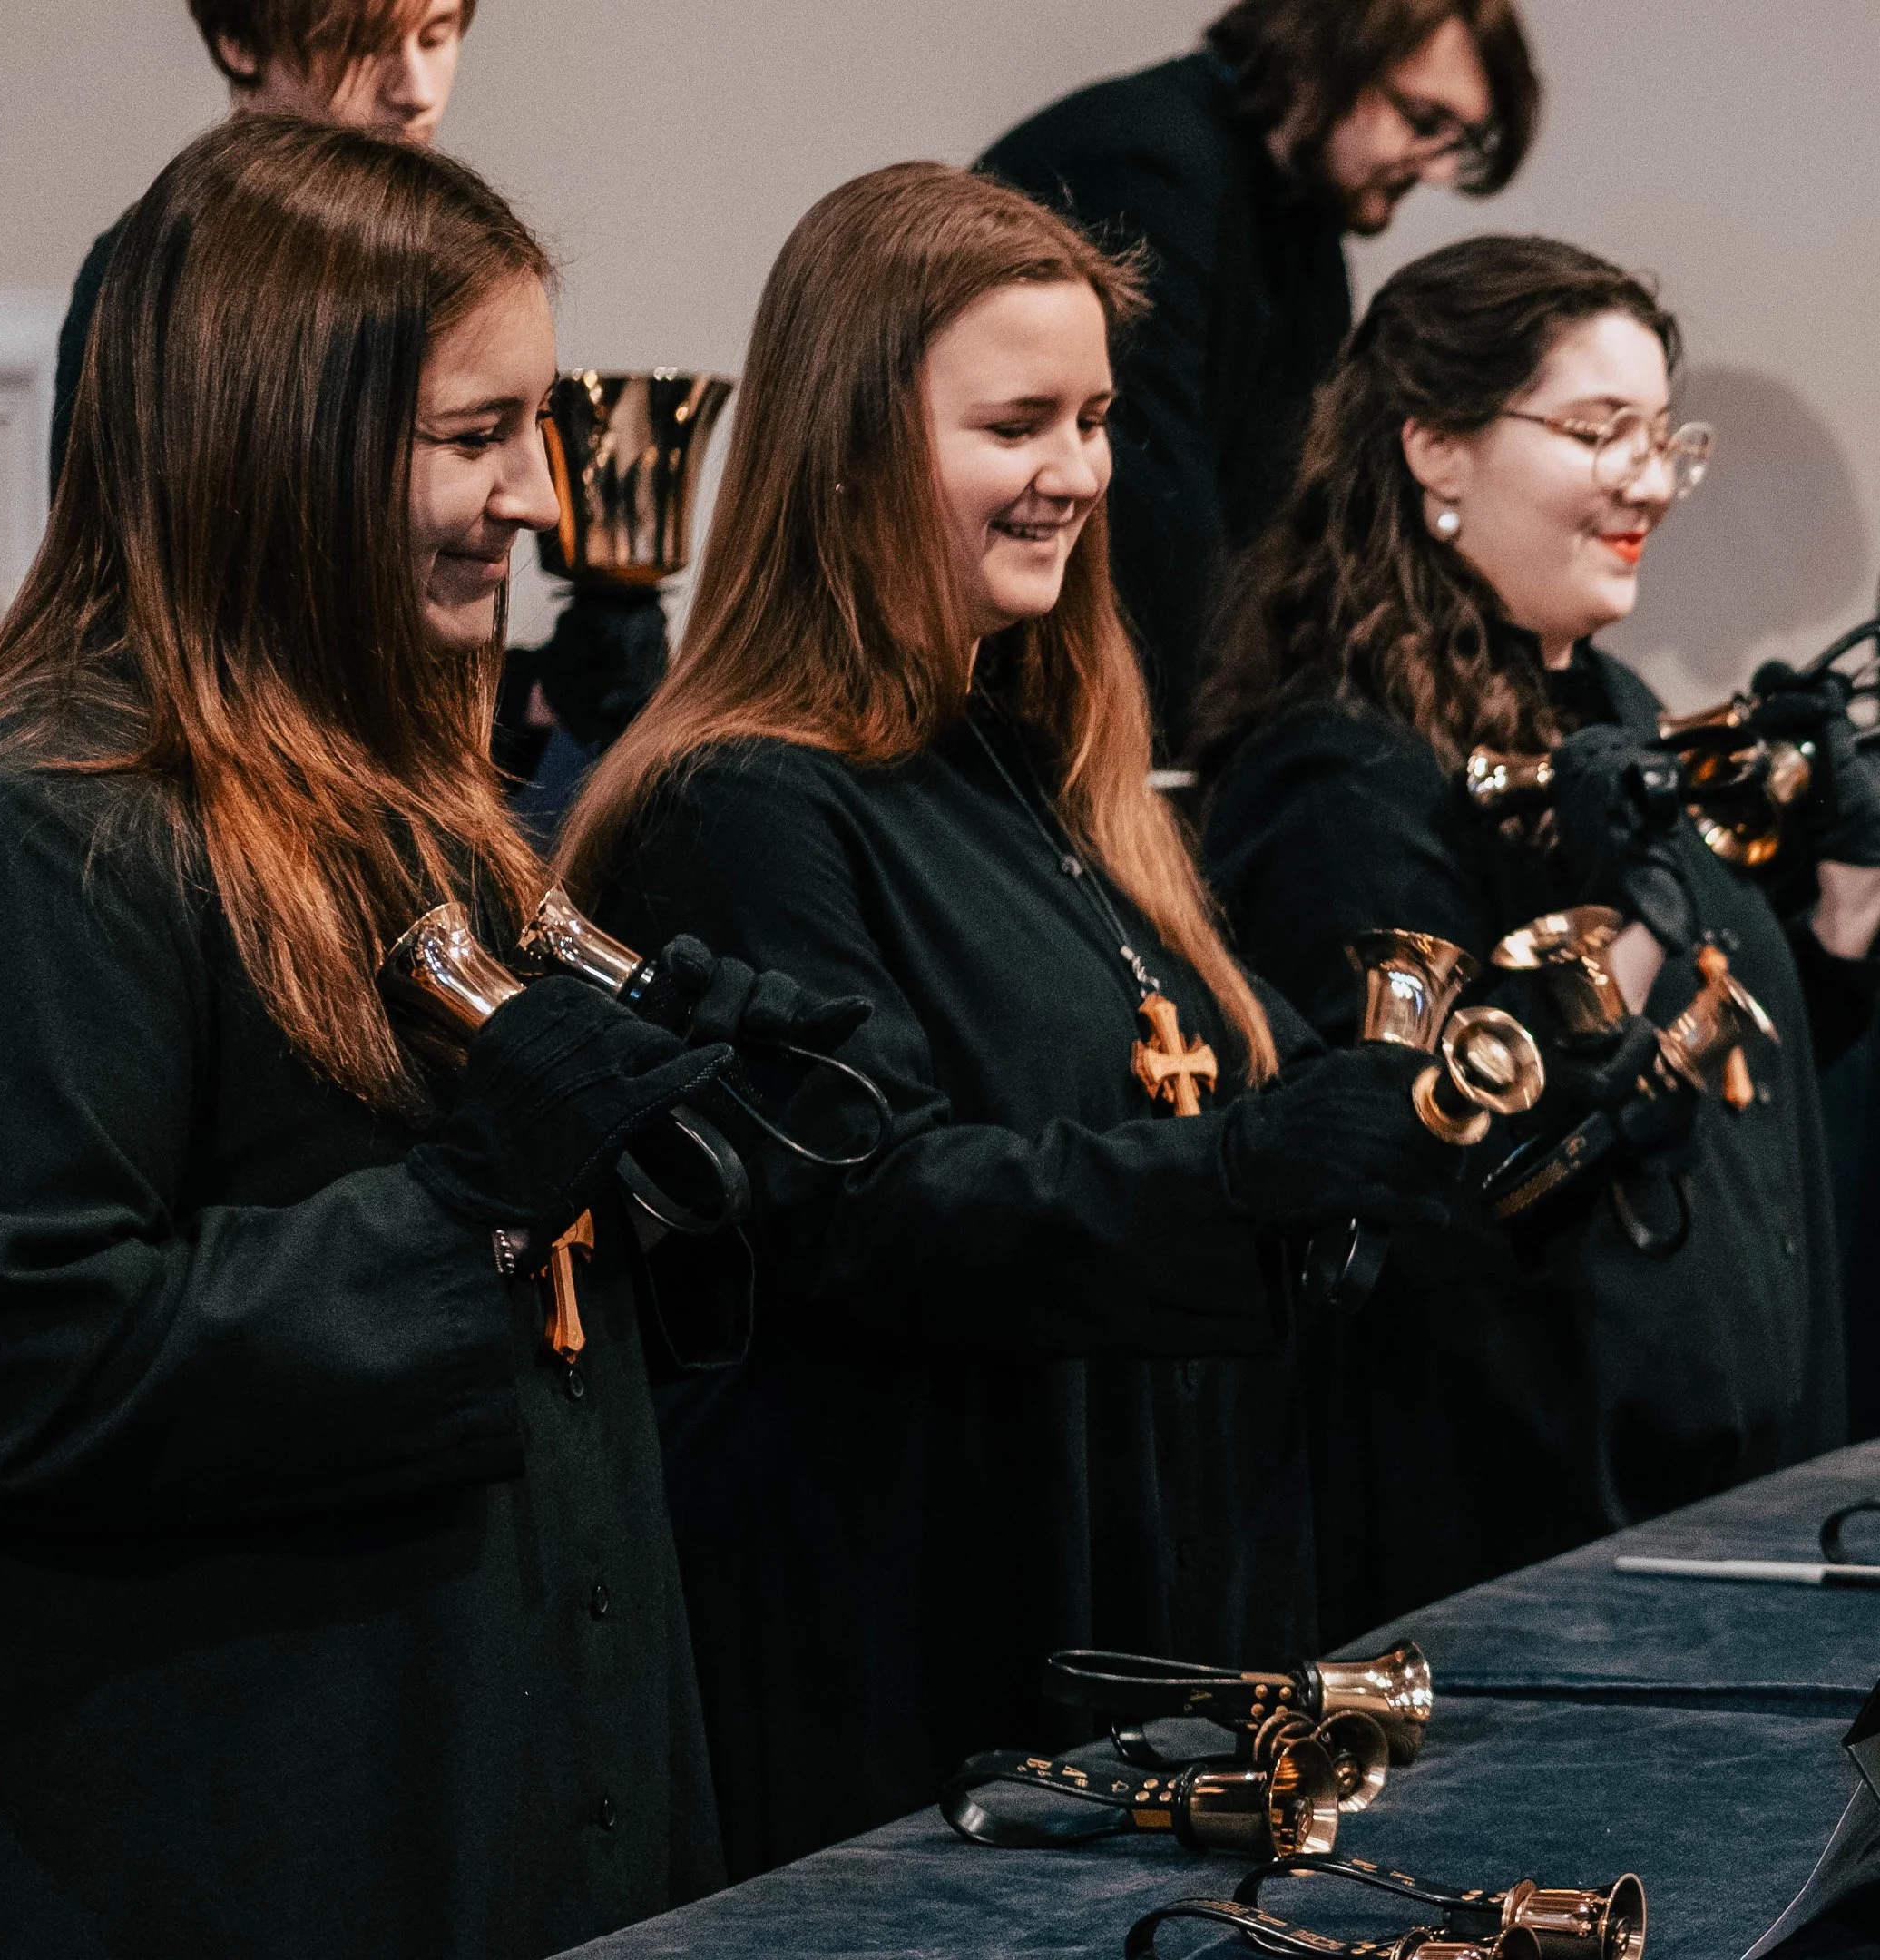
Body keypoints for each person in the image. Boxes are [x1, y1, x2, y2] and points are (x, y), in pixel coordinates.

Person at [0, 116, 857, 1957]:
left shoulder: (416, 808)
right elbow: (8, 1365)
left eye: (538, 428)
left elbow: (541, 1329)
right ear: (277, 444)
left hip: (523, 1788)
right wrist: (479, 1204)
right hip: (240, 1849)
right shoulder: (40, 827)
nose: (539, 498)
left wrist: (688, 1154)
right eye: (474, 437)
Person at [556, 160, 1457, 1880]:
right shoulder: (746, 809)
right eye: (1019, 424)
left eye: (1098, 420)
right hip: (907, 1646)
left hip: (1136, 1586)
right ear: (854, 444)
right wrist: (1251, 1175)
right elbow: (866, 1212)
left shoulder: (1039, 772)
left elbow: (1225, 1077)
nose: (1078, 477)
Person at [1191, 235, 1880, 1644]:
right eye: (1597, 431)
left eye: (1662, 437)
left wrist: (1843, 907)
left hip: (1724, 1490)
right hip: (1536, 1548)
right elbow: (1447, 1165)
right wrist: (1634, 912)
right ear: (1437, 450)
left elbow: (1711, 1071)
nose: (1650, 481)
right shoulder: (1341, 770)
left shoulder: (1604, 703)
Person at [980, 0, 1539, 755]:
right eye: (1423, 119)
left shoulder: (1301, 232)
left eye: (1458, 143)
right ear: (1330, 53)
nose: (1436, 167)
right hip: (1038, 719)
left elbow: (1296, 515)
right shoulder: (1149, 161)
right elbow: (1148, 511)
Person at [51, 0, 474, 491]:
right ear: (241, 43)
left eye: (435, 37)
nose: (416, 91)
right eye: (360, 45)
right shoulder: (155, 265)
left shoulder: (455, 248)